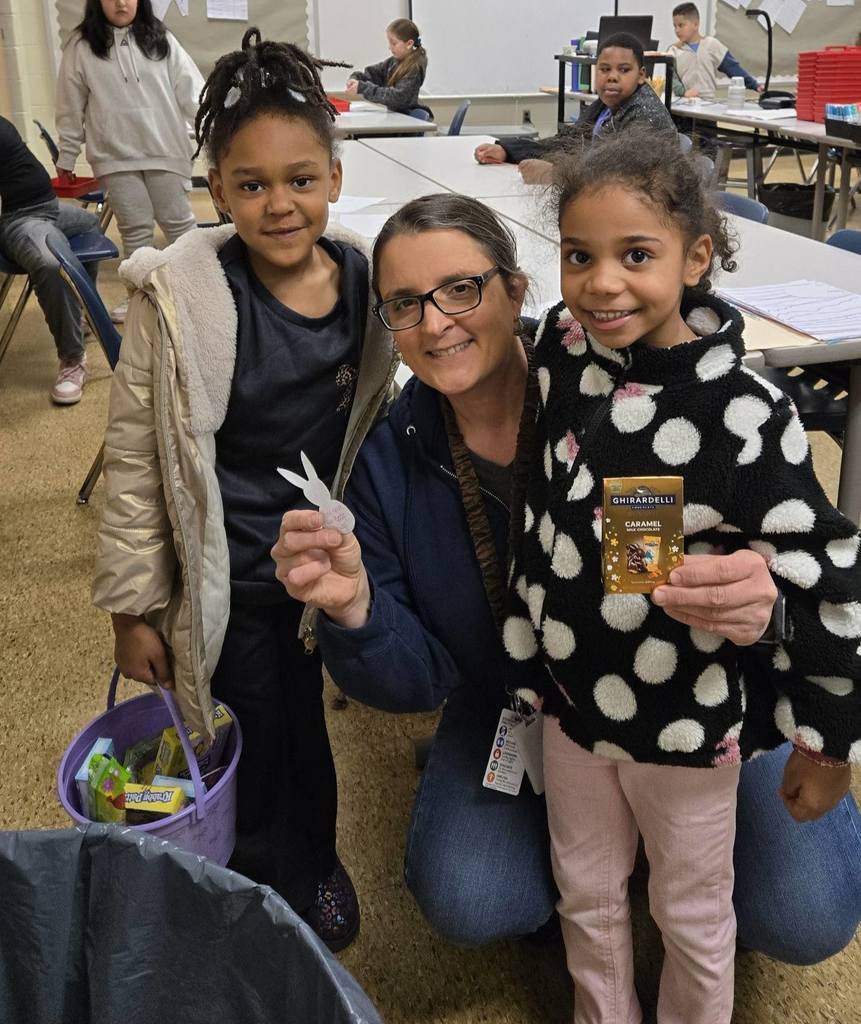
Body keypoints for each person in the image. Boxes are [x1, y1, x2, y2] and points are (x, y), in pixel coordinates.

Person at [272, 191, 861, 962]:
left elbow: (808, 563)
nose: (437, 323)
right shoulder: (390, 457)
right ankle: (611, 858)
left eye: (461, 289)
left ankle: (659, 841)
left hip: (698, 687)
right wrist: (355, 608)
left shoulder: (630, 396)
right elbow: (414, 682)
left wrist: (767, 605)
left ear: (517, 289)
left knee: (803, 916)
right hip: (519, 701)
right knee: (470, 895)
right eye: (404, 304)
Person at [502, 128, 860, 1022]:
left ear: (696, 258)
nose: (602, 282)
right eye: (578, 256)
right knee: (584, 895)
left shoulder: (745, 409)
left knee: (694, 914)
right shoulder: (562, 353)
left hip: (685, 725)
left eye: (636, 255)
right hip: (567, 707)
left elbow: (825, 572)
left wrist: (827, 742)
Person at [91, 27, 397, 952]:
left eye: (300, 179)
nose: (278, 204)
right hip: (227, 579)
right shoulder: (179, 303)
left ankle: (312, 859)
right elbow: (138, 464)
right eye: (251, 184)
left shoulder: (365, 287)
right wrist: (134, 606)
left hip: (326, 571)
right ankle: (270, 881)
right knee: (259, 734)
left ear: (334, 180)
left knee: (307, 727)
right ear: (215, 191)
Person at [55, 0, 203, 323]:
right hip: (114, 157)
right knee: (135, 232)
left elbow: (192, 93)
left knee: (180, 226)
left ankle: (199, 293)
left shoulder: (161, 39)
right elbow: (70, 106)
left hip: (165, 150)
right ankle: (140, 301)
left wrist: (218, 128)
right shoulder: (81, 47)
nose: (122, 2)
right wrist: (66, 154)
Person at [474, 34, 675, 184]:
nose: (612, 77)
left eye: (624, 70)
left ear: (641, 75)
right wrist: (507, 150)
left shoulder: (645, 114)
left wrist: (555, 175)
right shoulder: (606, 105)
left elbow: (624, 177)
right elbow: (567, 142)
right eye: (604, 69)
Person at [0, 115, 99, 404]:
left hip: (50, 207)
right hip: (22, 219)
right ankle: (72, 358)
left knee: (91, 225)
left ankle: (80, 315)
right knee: (49, 263)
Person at [670, 3, 763, 101]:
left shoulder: (711, 45)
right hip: (684, 104)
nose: (677, 30)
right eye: (675, 26)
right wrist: (683, 93)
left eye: (681, 25)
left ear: (695, 24)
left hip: (707, 103)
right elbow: (671, 78)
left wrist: (754, 85)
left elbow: (732, 67)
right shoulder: (674, 51)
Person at [346, 19, 432, 120]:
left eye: (394, 43)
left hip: (407, 124)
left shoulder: (415, 68)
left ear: (409, 44)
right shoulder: (394, 61)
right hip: (397, 119)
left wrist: (362, 88)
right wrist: (356, 79)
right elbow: (373, 74)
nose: (389, 47)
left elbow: (396, 97)